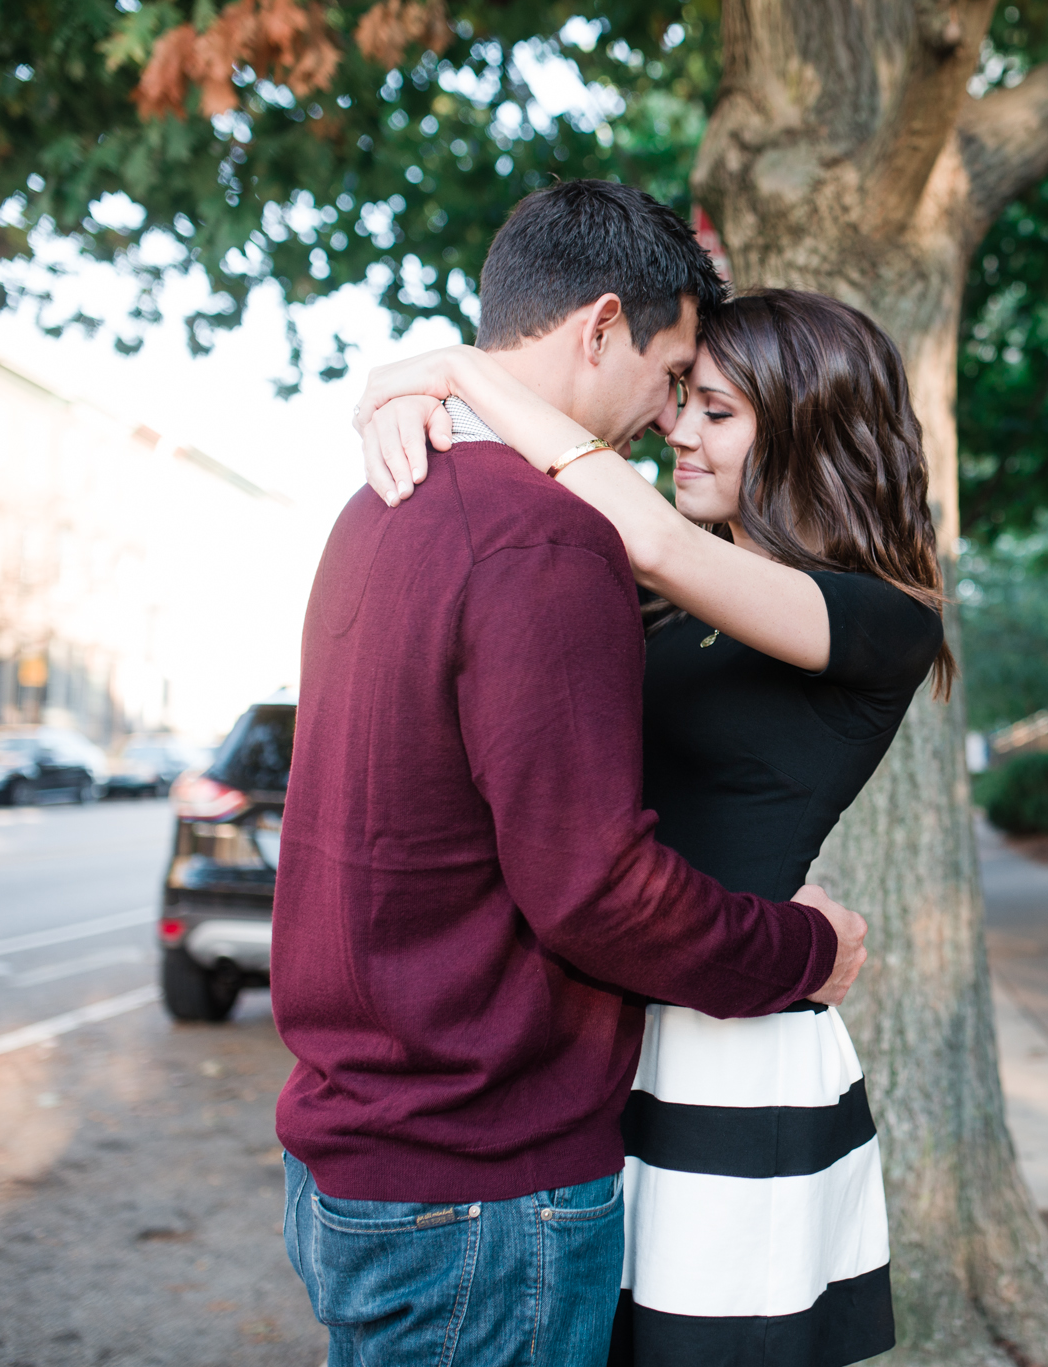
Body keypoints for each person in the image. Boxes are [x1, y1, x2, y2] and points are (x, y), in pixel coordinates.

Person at [274, 181, 871, 1367]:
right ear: (602, 325)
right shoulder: (546, 538)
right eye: (672, 376)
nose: (665, 419)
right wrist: (810, 949)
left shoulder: (379, 502)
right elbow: (595, 890)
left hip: (360, 1145)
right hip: (479, 1183)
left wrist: (420, 378)